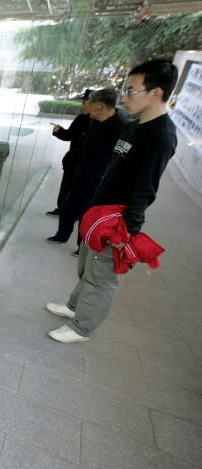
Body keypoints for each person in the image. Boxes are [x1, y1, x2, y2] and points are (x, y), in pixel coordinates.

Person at [46, 58, 178, 343]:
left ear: (155, 93)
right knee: (88, 266)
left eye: (131, 91)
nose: (124, 97)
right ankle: (74, 308)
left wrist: (127, 231)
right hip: (99, 210)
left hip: (116, 220)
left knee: (101, 275)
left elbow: (146, 188)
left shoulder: (160, 136)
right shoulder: (134, 126)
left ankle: (82, 327)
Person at [46, 88, 129, 248]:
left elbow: (121, 160)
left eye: (89, 103)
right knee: (68, 207)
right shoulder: (94, 120)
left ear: (100, 106)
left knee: (87, 213)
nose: (85, 106)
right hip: (81, 172)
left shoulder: (122, 126)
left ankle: (82, 245)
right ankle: (62, 235)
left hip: (100, 179)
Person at [46, 89, 93, 216]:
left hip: (88, 165)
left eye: (84, 102)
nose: (82, 105)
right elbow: (69, 135)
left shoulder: (102, 123)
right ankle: (62, 209)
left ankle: (76, 212)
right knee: (67, 185)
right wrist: (58, 130)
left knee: (80, 189)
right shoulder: (81, 119)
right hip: (73, 161)